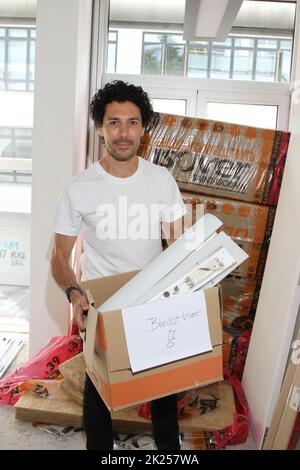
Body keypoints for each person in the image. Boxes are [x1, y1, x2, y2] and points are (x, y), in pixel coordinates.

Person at [51, 80, 186, 450]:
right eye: (114, 123)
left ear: (144, 128)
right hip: (102, 305)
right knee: (98, 400)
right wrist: (75, 294)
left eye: (132, 122)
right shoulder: (78, 188)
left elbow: (180, 245)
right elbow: (60, 258)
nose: (123, 133)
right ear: (99, 128)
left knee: (163, 398)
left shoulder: (161, 180)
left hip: (153, 302)